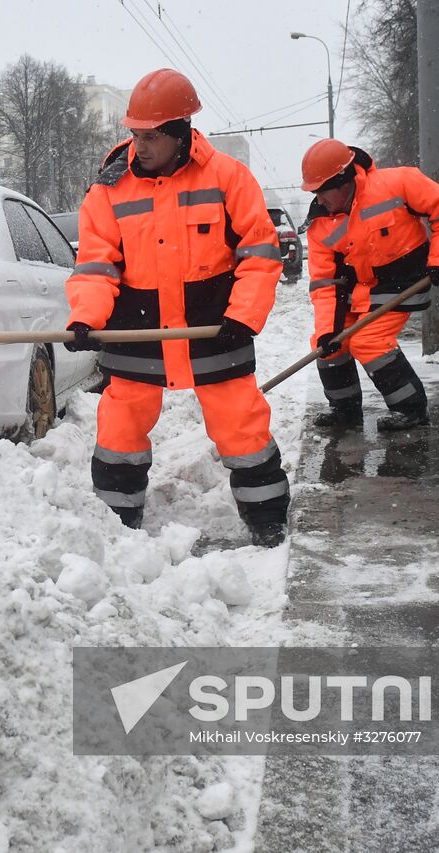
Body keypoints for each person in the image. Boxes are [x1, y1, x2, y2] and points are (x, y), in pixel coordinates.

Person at [65, 68, 289, 546]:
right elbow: (96, 265)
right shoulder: (109, 189)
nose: (140, 146)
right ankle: (118, 521)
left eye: (151, 137)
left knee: (241, 424)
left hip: (215, 328)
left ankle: (267, 516)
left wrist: (243, 316)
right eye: (135, 135)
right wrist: (86, 316)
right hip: (137, 330)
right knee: (120, 428)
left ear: (182, 132)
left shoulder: (228, 177)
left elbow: (259, 253)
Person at [300, 138, 439, 432]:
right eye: (315, 193)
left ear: (343, 181)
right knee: (327, 345)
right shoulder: (320, 225)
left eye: (322, 191)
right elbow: (324, 284)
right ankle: (344, 410)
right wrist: (328, 330)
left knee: (369, 341)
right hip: (361, 288)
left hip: (403, 280)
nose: (319, 200)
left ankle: (411, 410)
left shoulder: (397, 183)